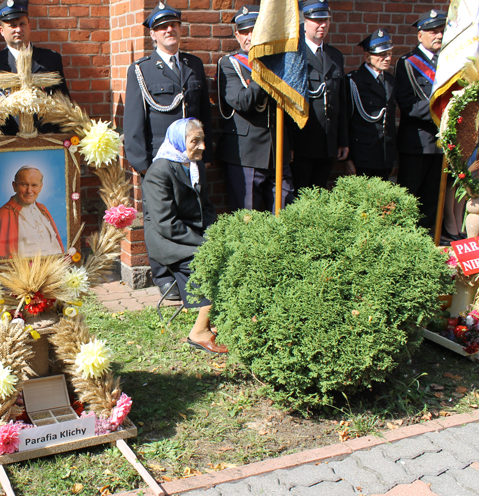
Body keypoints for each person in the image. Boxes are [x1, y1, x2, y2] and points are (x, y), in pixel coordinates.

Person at [124, 1, 212, 300]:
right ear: (153, 35)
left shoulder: (194, 65)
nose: (168, 30)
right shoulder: (141, 70)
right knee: (158, 218)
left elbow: (204, 115)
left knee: (191, 211)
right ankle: (163, 277)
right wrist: (144, 166)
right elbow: (134, 122)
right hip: (159, 161)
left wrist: (205, 153)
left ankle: (189, 270)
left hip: (192, 158)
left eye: (173, 25)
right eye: (161, 27)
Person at [141, 118, 224, 354]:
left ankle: (218, 320)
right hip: (167, 240)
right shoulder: (159, 172)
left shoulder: (193, 165)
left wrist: (213, 234)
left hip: (190, 234)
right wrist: (204, 243)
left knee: (227, 254)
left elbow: (206, 207)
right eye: (194, 141)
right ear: (179, 141)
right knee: (208, 262)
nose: (202, 147)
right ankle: (199, 332)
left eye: (203, 140)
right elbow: (166, 224)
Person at [217, 5, 293, 213]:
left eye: (254, 30)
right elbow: (243, 102)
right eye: (244, 32)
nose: (249, 36)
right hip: (246, 154)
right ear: (237, 35)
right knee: (247, 219)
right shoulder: (229, 64)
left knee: (285, 212)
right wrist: (263, 69)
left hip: (278, 151)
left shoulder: (280, 62)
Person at [0, 0, 68, 135]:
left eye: (22, 24)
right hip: (7, 144)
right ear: (2, 30)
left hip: (46, 142)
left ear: (30, 26)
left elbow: (65, 105)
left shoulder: (50, 60)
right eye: (12, 25)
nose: (18, 30)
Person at [395, 10, 446, 236]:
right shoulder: (407, 63)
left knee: (433, 197)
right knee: (410, 196)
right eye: (433, 31)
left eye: (441, 31)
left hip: (441, 143)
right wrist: (445, 112)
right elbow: (409, 104)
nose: (438, 35)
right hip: (417, 142)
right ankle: (405, 240)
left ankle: (428, 240)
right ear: (420, 35)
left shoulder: (447, 62)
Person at [289, 0, 348, 191]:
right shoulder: (294, 54)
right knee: (299, 194)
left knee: (321, 192)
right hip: (302, 141)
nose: (322, 25)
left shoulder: (335, 55)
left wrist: (342, 140)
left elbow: (341, 102)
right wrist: (288, 143)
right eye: (316, 20)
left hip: (328, 142)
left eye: (325, 20)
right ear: (303, 22)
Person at [345, 29, 397, 180]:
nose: (387, 58)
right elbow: (346, 121)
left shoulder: (390, 81)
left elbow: (390, 124)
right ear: (367, 57)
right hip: (362, 157)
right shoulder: (354, 81)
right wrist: (348, 159)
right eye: (382, 55)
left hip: (385, 157)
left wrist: (392, 158)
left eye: (389, 54)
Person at [0, 165, 63, 260]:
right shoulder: (3, 214)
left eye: (34, 185)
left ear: (40, 187)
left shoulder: (43, 210)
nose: (29, 191)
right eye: (24, 185)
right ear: (14, 186)